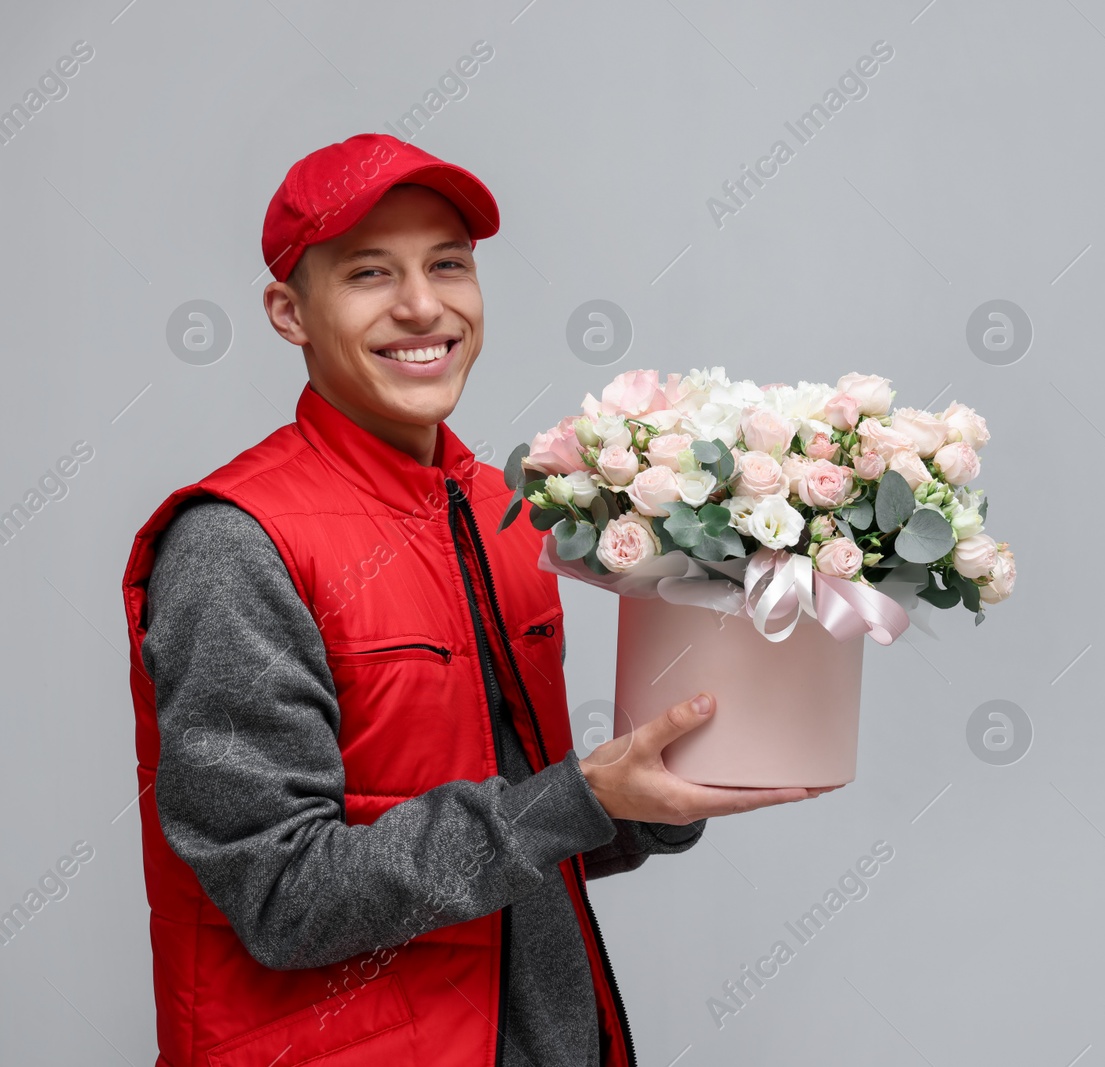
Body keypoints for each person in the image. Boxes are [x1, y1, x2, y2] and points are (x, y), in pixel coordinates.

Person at [119, 133, 831, 1067]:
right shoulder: (235, 543)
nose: (423, 305)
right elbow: (283, 896)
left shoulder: (502, 512)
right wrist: (575, 796)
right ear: (288, 312)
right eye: (370, 273)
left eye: (447, 263)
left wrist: (655, 794)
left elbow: (515, 829)